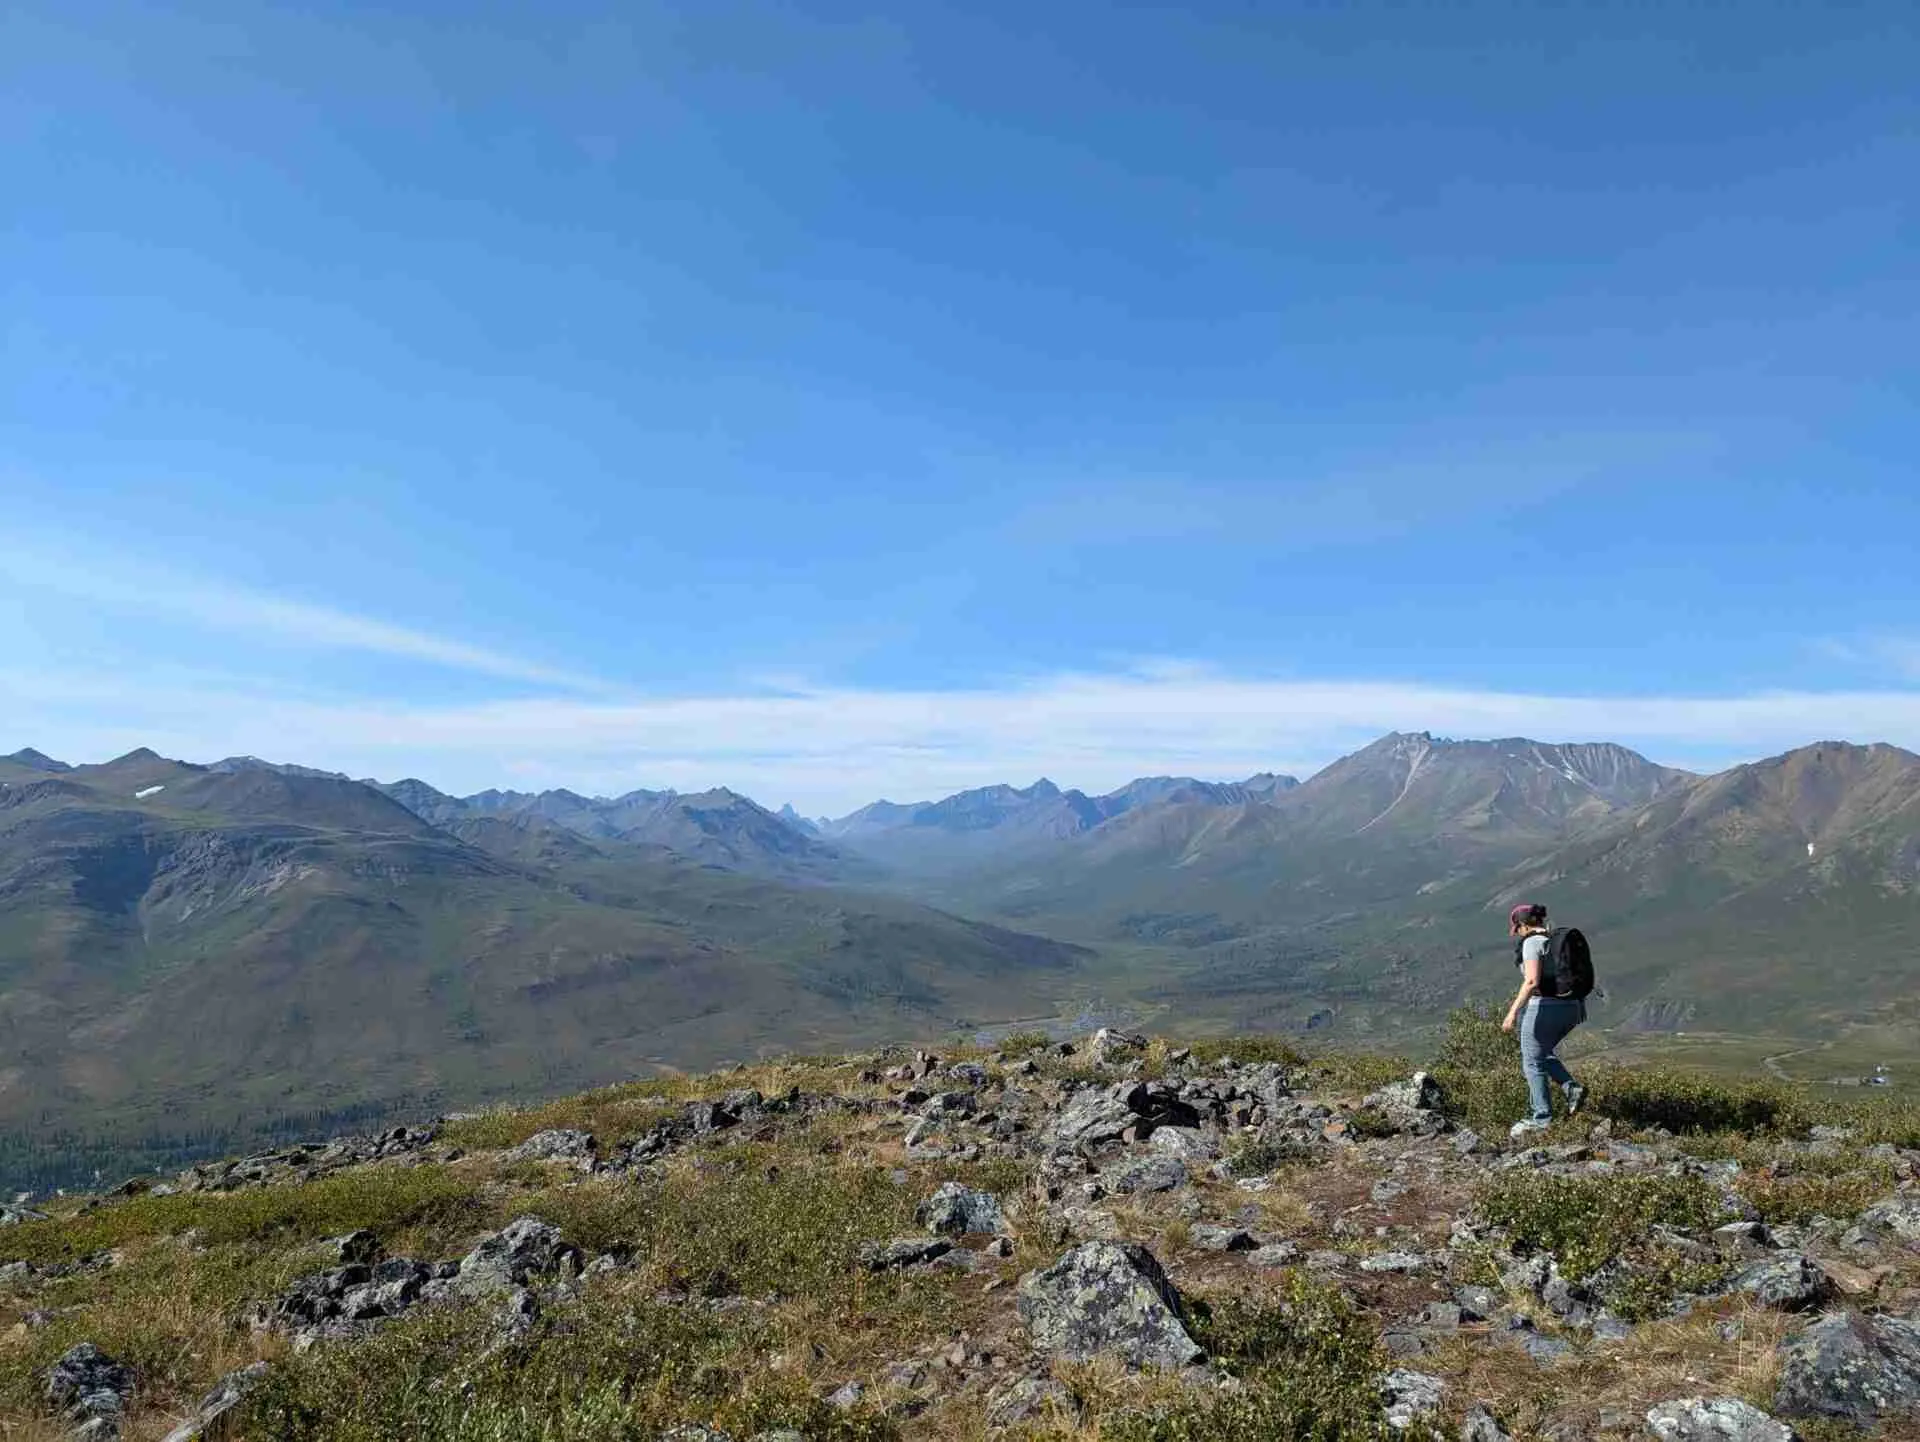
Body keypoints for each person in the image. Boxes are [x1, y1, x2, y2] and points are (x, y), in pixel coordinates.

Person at [1501, 902, 1587, 1137]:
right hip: (1573, 1006)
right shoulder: (1553, 939)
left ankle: (1541, 1119)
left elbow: (1531, 982)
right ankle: (1571, 1089)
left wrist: (1512, 1013)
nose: (1516, 933)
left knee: (1531, 1060)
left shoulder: (1531, 943)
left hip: (1547, 1006)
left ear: (1522, 926)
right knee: (1540, 1052)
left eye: (1516, 929)